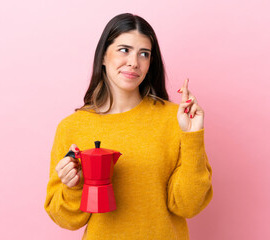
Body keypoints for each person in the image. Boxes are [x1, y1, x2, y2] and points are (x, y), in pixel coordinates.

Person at [44, 13, 213, 240]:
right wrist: (74, 186)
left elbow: (188, 206)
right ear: (103, 55)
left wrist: (192, 136)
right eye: (124, 50)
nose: (134, 62)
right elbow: (65, 220)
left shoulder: (176, 119)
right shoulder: (72, 127)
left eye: (144, 54)